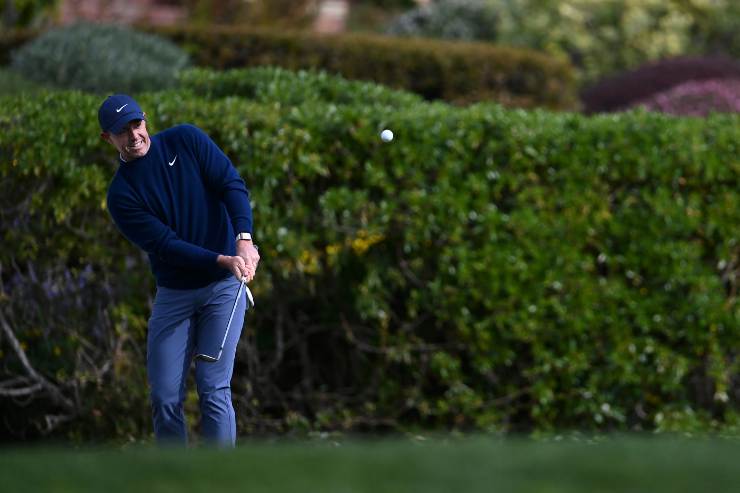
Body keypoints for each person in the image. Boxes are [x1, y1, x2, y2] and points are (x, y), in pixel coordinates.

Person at [98, 94, 260, 447]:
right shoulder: (121, 195)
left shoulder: (186, 140)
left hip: (223, 288)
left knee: (212, 386)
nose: (133, 136)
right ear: (107, 139)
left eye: (136, 125)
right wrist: (225, 259)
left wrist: (244, 239)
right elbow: (167, 245)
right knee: (165, 397)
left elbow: (230, 184)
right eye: (121, 132)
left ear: (145, 120)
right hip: (176, 295)